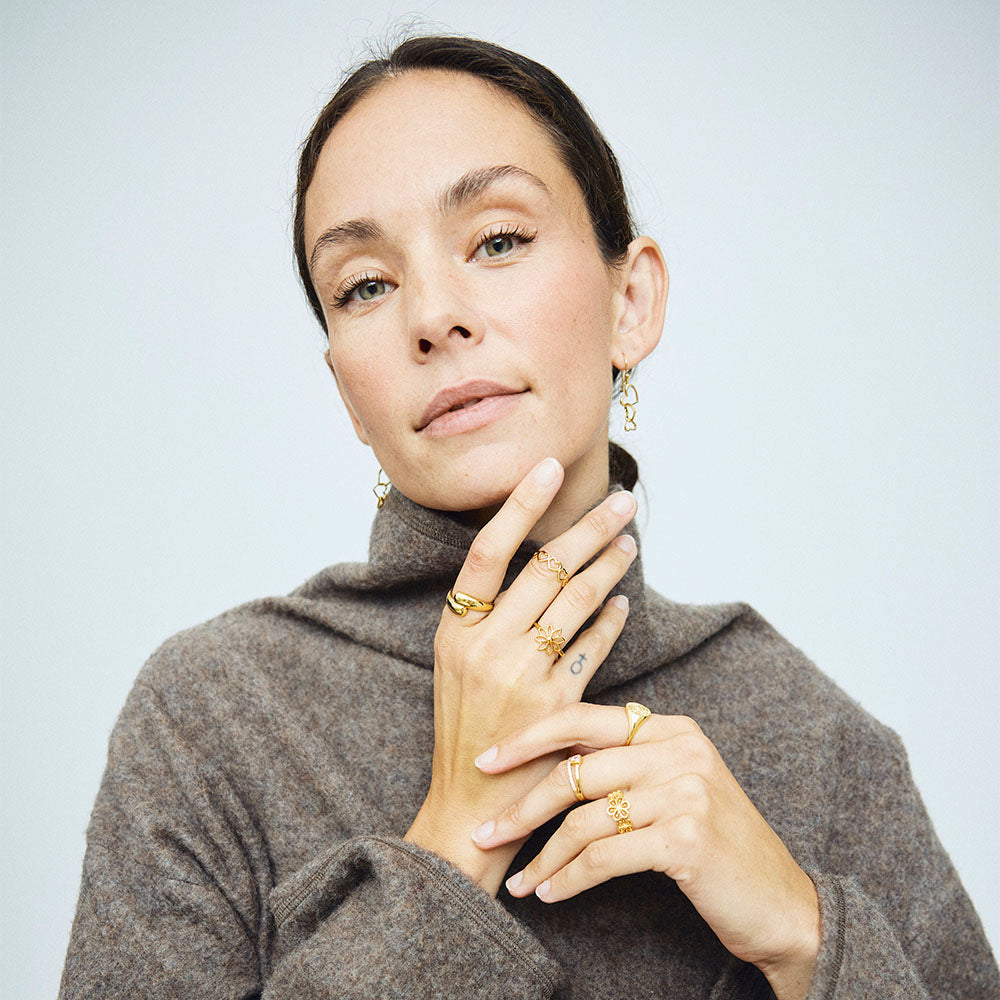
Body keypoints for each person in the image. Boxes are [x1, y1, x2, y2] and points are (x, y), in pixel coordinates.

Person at [59, 35, 998, 1000]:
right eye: (366, 285)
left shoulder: (817, 737)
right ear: (349, 394)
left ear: (631, 301)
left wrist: (805, 940)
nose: (433, 315)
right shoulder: (214, 718)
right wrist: (451, 844)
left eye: (499, 240)